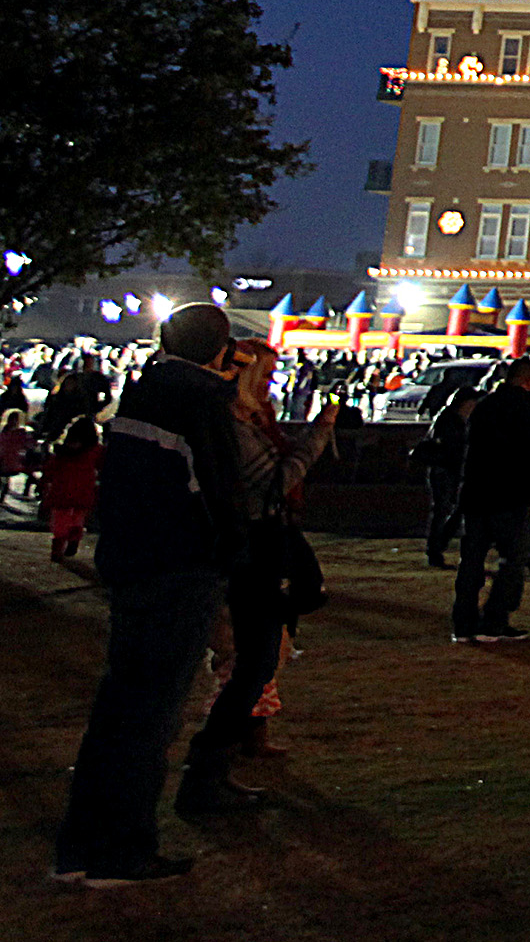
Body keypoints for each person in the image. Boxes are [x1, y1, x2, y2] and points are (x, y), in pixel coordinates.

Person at [53, 303, 246, 887]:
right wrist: (231, 581)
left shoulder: (142, 391)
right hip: (179, 570)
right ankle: (122, 850)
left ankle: (80, 847)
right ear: (222, 349)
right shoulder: (202, 401)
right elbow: (221, 497)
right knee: (151, 719)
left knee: (117, 712)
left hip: (133, 565)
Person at [192, 338, 334, 791]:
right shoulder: (233, 427)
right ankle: (209, 766)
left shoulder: (251, 421)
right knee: (251, 658)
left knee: (261, 656)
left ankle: (223, 759)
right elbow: (272, 482)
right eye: (267, 376)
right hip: (251, 545)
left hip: (260, 542)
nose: (274, 384)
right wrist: (318, 436)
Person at [451, 356, 530, 645]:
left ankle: (464, 623)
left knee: (472, 560)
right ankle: (494, 620)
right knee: (512, 559)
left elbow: (469, 449)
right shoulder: (526, 410)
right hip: (510, 494)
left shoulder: (484, 406)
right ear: (529, 381)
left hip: (478, 492)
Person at [420, 384, 476, 567]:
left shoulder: (451, 418)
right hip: (445, 469)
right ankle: (436, 547)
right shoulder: (452, 420)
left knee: (447, 510)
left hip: (447, 469)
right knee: (444, 510)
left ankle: (437, 546)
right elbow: (452, 447)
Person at [43, 412, 103, 561]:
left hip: (62, 487)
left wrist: (45, 480)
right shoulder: (95, 450)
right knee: (78, 516)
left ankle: (57, 547)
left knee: (60, 518)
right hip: (84, 487)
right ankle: (74, 538)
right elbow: (102, 465)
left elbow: (52, 467)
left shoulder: (63, 450)